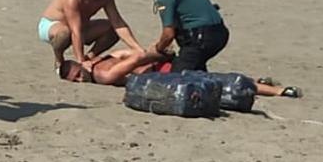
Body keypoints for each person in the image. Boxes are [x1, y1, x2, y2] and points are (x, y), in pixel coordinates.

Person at [58, 50, 302, 97]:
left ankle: (277, 90)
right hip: (158, 68)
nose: (80, 81)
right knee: (216, 80)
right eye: (75, 81)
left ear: (81, 65)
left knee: (218, 83)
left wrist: (157, 55)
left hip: (161, 70)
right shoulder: (103, 65)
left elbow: (135, 57)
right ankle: (261, 84)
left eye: (78, 75)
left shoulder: (102, 69)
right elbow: (134, 57)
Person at [132, 0, 228, 72]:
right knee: (196, 68)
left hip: (201, 39)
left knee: (177, 79)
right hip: (220, 32)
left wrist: (158, 49)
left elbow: (168, 34)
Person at [39, 0, 145, 68]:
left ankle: (90, 57)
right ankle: (59, 59)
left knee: (111, 28)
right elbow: (75, 31)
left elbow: (117, 22)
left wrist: (137, 48)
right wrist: (80, 61)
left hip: (80, 26)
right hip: (52, 25)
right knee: (65, 33)